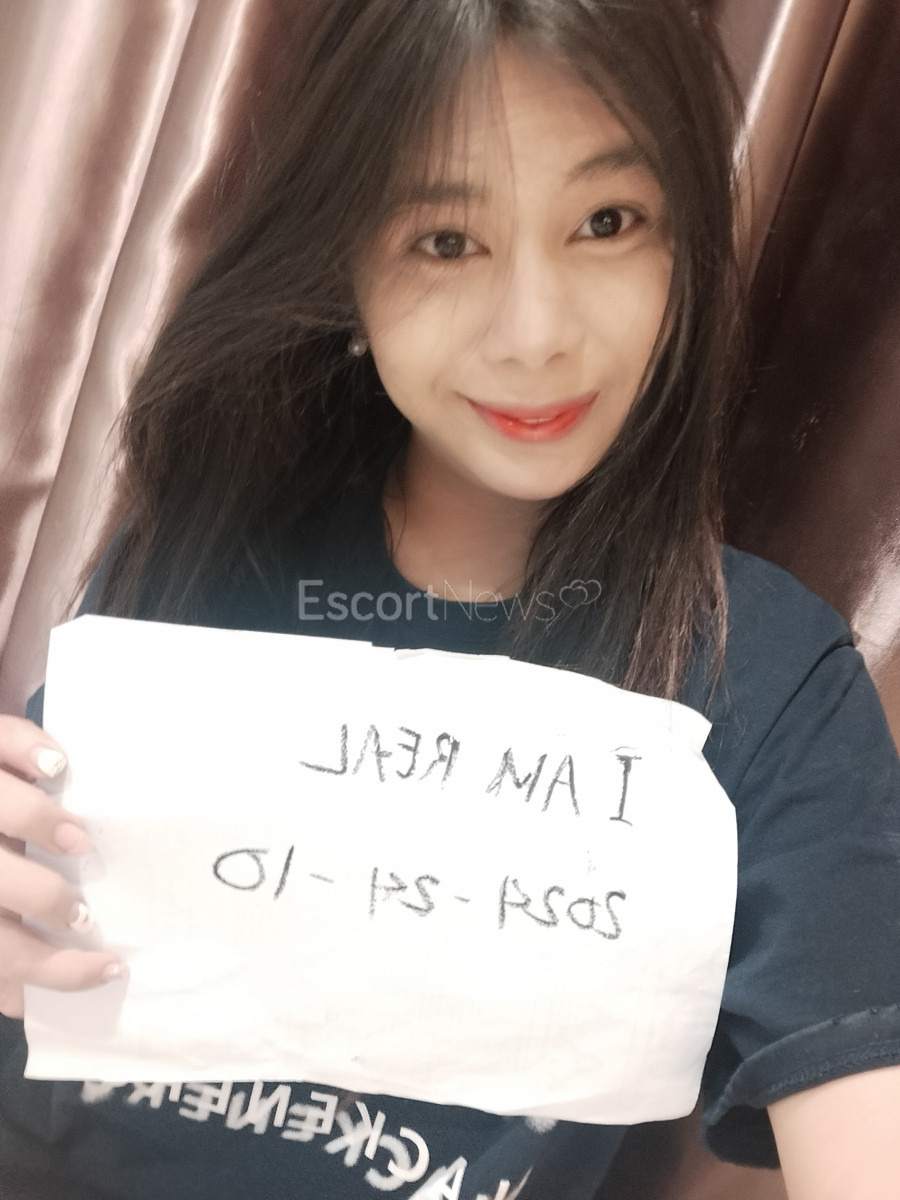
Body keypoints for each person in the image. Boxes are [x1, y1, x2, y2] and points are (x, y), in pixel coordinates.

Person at [2, 1, 900, 1197]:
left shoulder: (765, 682)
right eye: (445, 241)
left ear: (685, 243)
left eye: (607, 222)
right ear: (346, 264)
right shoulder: (203, 558)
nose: (535, 335)